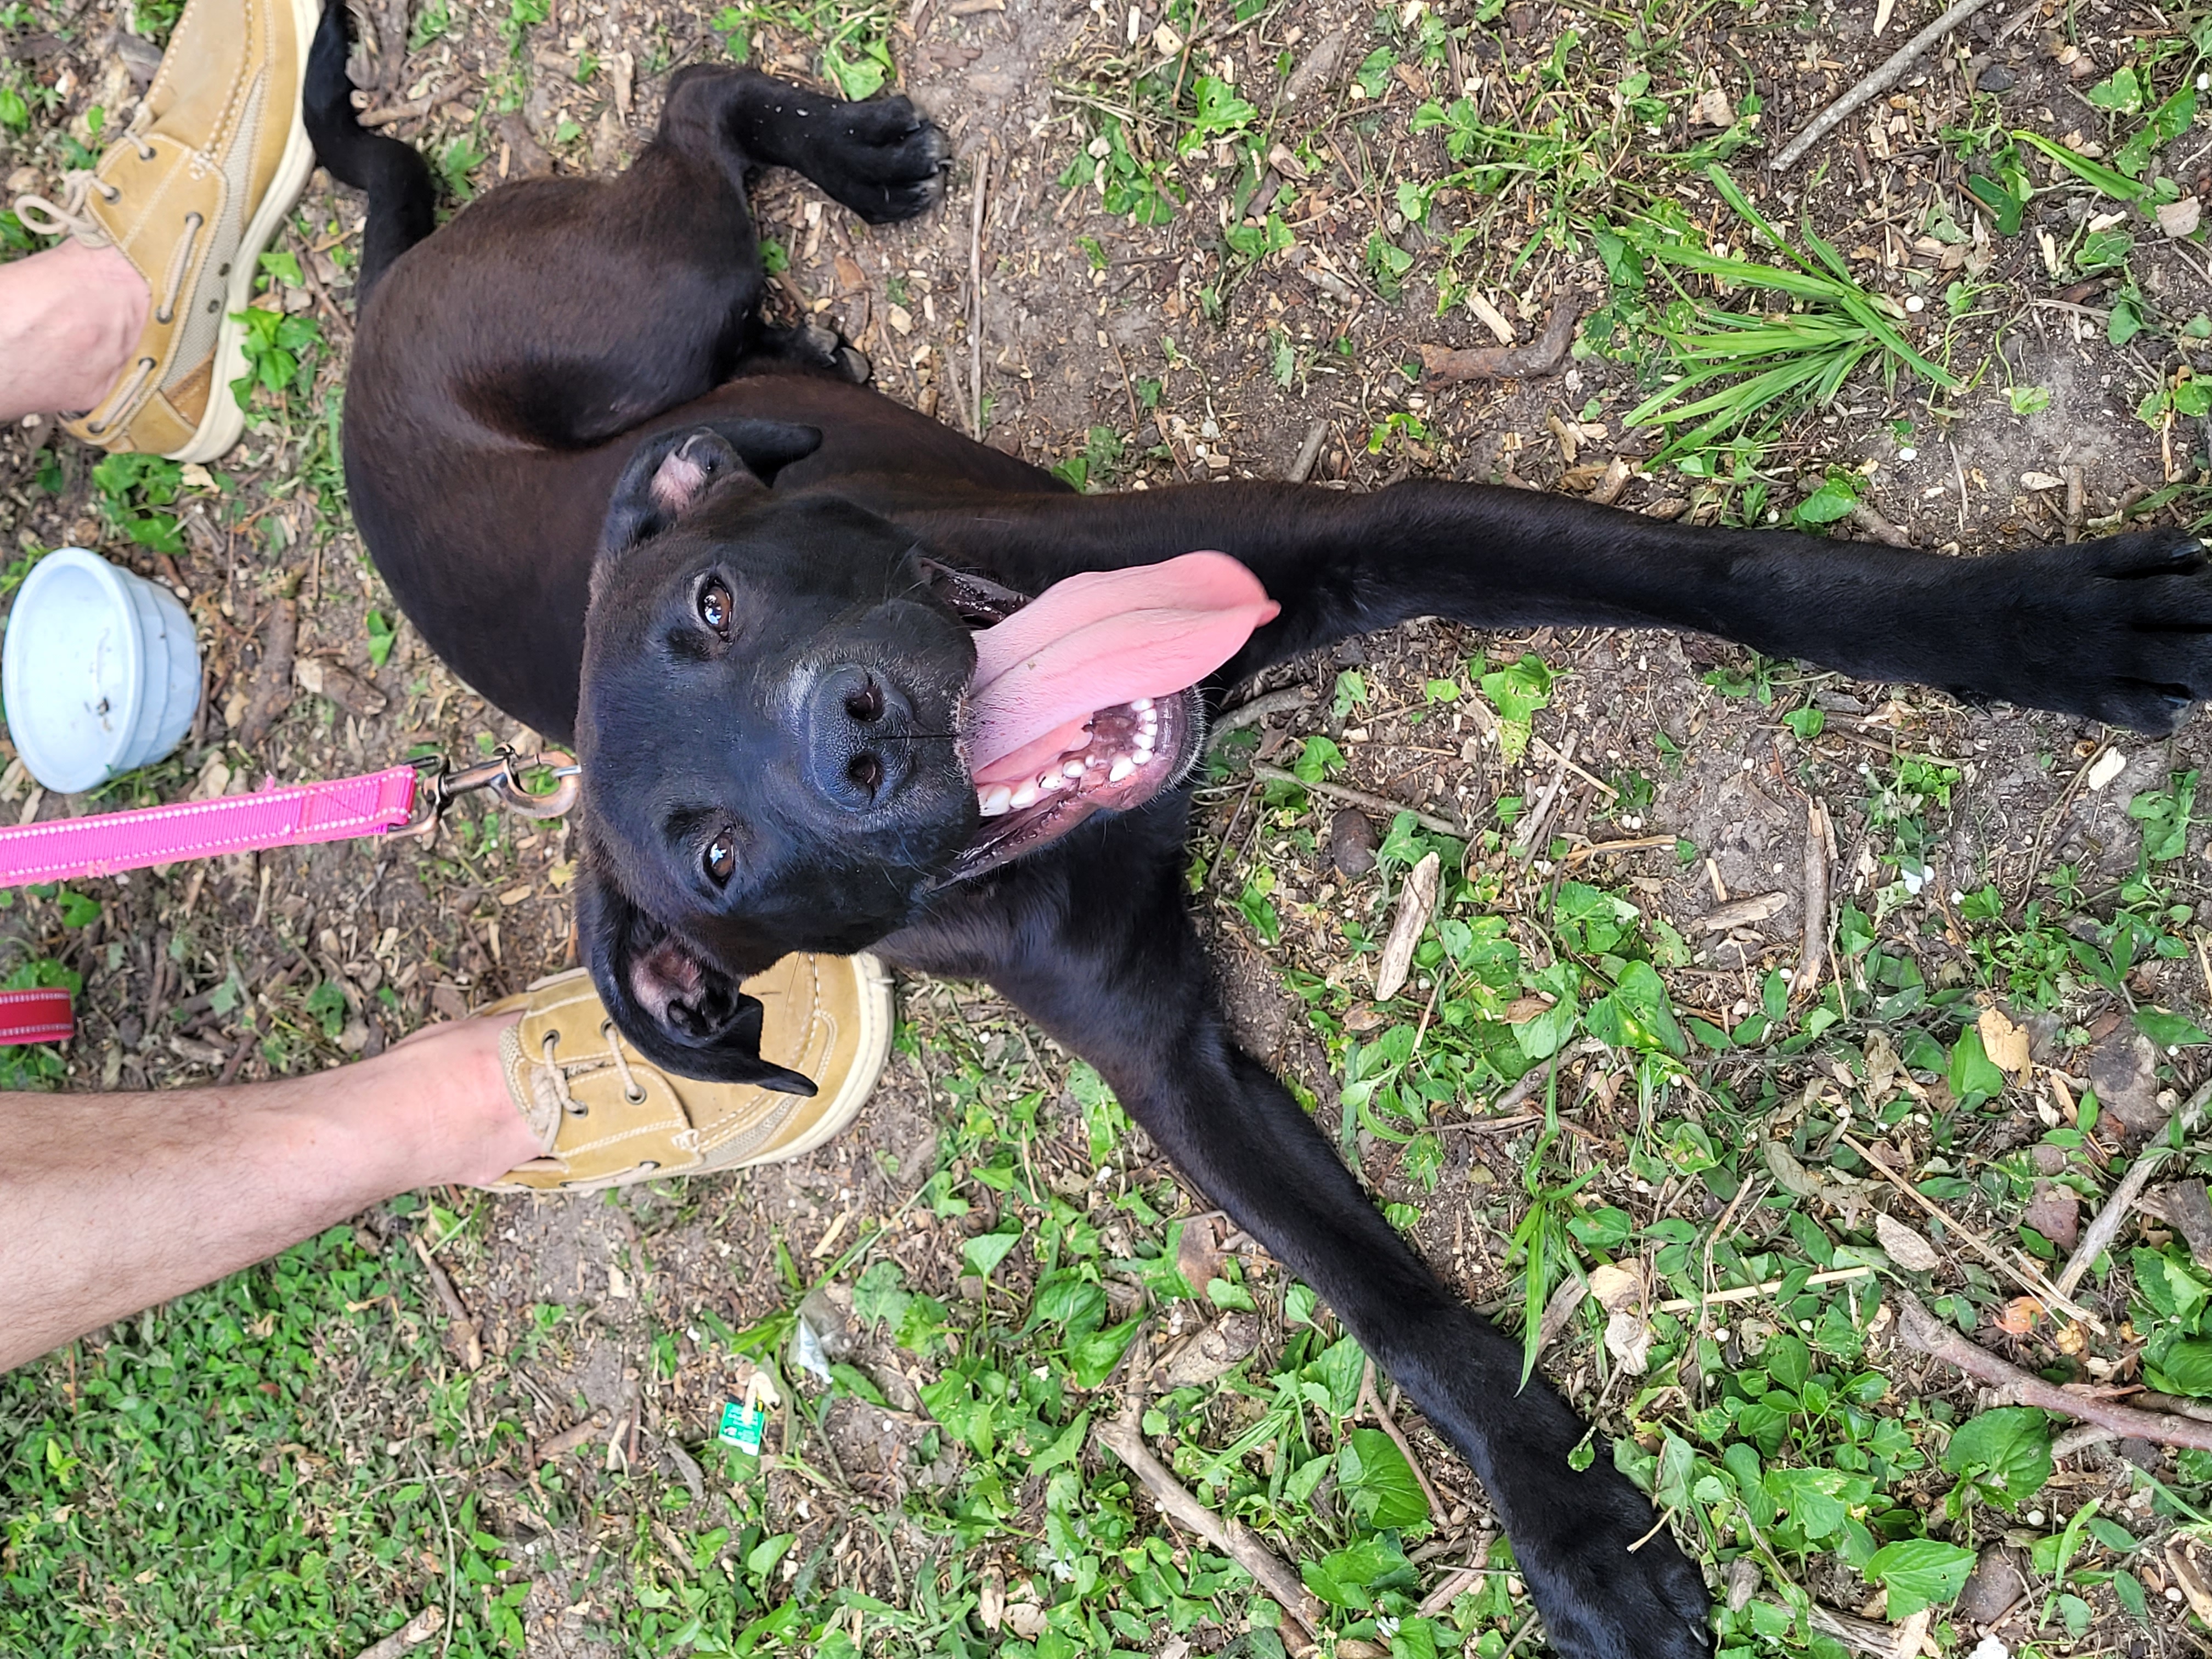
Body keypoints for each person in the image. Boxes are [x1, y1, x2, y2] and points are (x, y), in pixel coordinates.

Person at [0, 0, 899, 1375]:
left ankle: (705, 126)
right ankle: (471, 1107)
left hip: (473, 387)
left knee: (690, 296)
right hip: (485, 434)